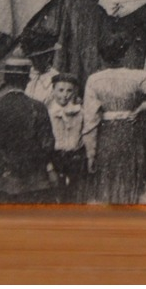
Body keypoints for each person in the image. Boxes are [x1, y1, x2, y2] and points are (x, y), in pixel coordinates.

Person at [0, 55, 59, 204]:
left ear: (5, 79)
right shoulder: (38, 108)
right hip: (32, 182)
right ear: (27, 80)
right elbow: (47, 145)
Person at [83, 64, 146, 204]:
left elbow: (91, 120)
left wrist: (90, 153)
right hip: (130, 131)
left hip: (107, 134)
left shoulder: (94, 80)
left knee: (108, 179)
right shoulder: (138, 76)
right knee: (129, 176)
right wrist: (141, 108)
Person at [45, 73, 90, 204]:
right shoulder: (48, 112)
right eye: (60, 90)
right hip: (55, 157)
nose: (65, 95)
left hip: (74, 157)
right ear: (53, 91)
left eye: (69, 90)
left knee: (74, 194)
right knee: (55, 194)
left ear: (75, 92)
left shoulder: (80, 112)